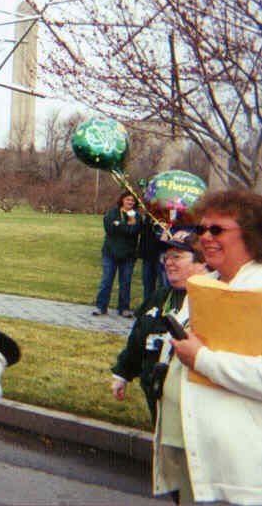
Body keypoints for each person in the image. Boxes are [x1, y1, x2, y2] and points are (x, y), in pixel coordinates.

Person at [152, 189, 262, 504]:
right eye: (202, 229)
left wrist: (201, 359)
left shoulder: (257, 291)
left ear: (251, 235)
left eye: (217, 230)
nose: (206, 238)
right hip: (191, 449)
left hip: (237, 471)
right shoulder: (205, 284)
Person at [109, 228, 207, 423]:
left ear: (202, 262)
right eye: (166, 257)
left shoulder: (210, 300)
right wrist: (123, 374)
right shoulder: (159, 297)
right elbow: (138, 338)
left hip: (192, 405)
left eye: (177, 257)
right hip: (157, 396)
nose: (168, 262)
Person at [93, 191, 142, 317]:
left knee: (125, 282)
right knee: (106, 280)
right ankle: (101, 307)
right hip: (110, 253)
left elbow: (133, 231)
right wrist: (125, 226)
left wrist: (120, 224)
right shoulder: (112, 213)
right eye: (128, 200)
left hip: (128, 255)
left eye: (132, 201)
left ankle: (124, 308)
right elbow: (110, 229)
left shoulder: (137, 216)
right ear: (122, 200)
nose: (130, 202)